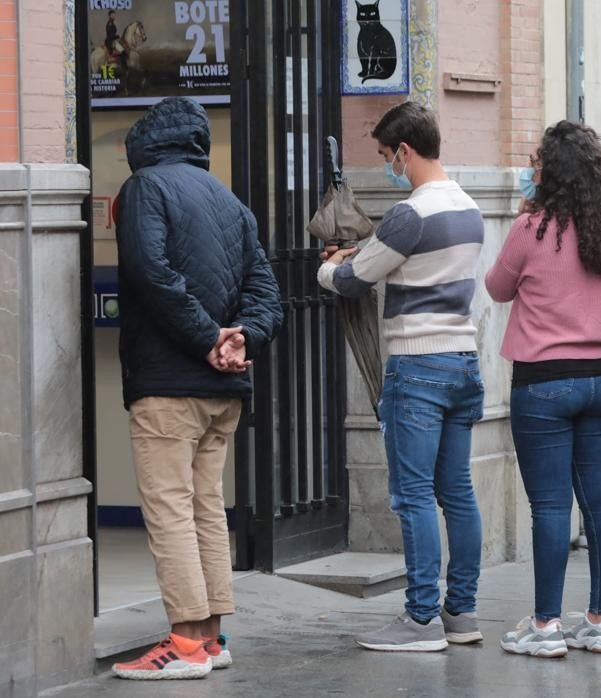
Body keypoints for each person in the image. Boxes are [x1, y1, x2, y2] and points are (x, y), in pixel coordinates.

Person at [110, 97, 283, 680]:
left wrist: (208, 337)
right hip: (224, 390)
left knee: (170, 510)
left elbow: (149, 271)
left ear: (144, 142)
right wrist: (242, 340)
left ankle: (183, 645)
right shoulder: (231, 203)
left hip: (168, 384)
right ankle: (210, 639)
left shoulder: (144, 189)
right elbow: (266, 292)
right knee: (206, 505)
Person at [319, 102, 487, 652]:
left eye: (388, 156)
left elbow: (353, 281)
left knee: (413, 495)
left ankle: (419, 621)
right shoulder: (469, 207)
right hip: (463, 362)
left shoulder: (410, 213)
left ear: (405, 152)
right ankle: (460, 614)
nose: (389, 165)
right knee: (457, 493)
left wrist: (327, 267)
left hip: (417, 366)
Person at [485, 121, 601, 658]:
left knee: (551, 507)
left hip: (544, 385)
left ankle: (547, 625)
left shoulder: (532, 228)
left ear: (550, 172)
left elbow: (496, 287)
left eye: (536, 163)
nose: (531, 171)